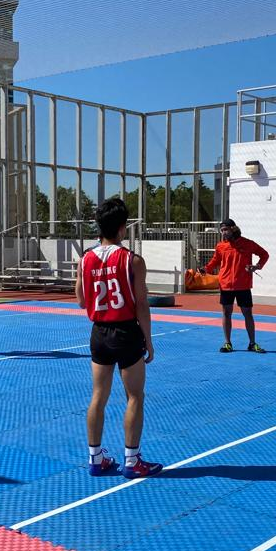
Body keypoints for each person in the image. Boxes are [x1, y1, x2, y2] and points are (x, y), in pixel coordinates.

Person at [76, 197, 162, 479]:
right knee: (135, 396)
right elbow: (141, 305)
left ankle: (96, 458)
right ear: (123, 227)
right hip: (125, 331)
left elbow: (81, 300)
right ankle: (132, 461)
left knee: (98, 396)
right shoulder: (132, 260)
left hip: (99, 332)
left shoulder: (85, 259)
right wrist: (148, 340)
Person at [201, 218, 269, 353]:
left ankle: (252, 343)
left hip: (243, 285)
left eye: (225, 229)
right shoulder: (221, 246)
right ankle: (228, 343)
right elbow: (215, 261)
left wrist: (257, 266)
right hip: (226, 285)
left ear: (233, 229)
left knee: (247, 313)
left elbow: (264, 254)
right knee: (226, 313)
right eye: (221, 230)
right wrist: (206, 269)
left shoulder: (247, 243)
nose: (223, 232)